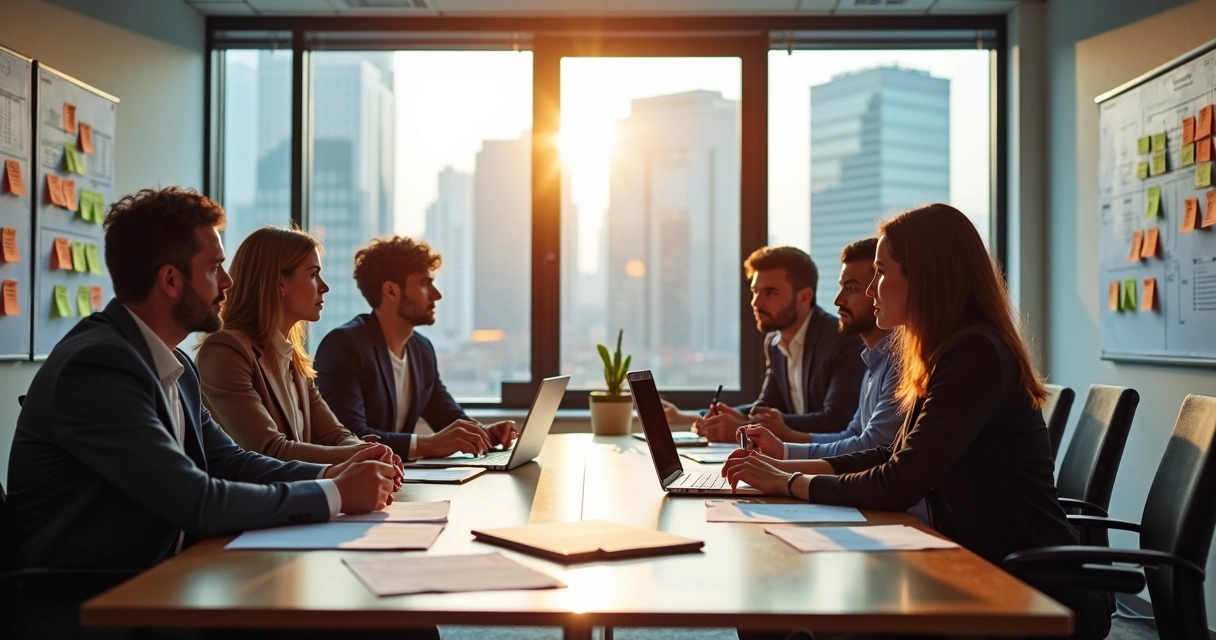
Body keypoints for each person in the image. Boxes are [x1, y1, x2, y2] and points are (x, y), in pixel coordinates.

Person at [6, 188, 404, 639]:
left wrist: (331, 473)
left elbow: (232, 461)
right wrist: (334, 494)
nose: (228, 282)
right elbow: (197, 500)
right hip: (104, 603)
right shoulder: (97, 367)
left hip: (171, 578)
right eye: (215, 268)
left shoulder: (173, 365)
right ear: (171, 281)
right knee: (365, 622)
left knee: (385, 618)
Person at [723, 204, 1111, 640]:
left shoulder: (974, 354)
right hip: (968, 563)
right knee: (773, 610)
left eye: (882, 273)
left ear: (924, 277)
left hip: (1021, 586)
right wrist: (785, 472)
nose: (873, 291)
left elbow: (902, 480)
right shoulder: (947, 351)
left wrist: (790, 482)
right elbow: (892, 453)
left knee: (785, 617)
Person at [196, 227, 401, 471]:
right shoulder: (225, 351)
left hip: (297, 496)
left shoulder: (292, 357)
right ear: (279, 281)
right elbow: (269, 450)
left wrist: (364, 451)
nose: (324, 287)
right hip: (253, 502)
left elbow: (336, 435)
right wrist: (360, 455)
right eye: (313, 275)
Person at [315, 236, 515, 460]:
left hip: (396, 480)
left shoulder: (422, 350)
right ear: (391, 291)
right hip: (352, 485)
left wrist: (485, 434)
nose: (436, 295)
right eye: (424, 284)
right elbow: (350, 437)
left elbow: (447, 416)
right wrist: (428, 445)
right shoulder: (344, 346)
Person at [667, 246, 865, 443]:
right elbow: (766, 407)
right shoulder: (774, 342)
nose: (756, 302)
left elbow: (837, 420)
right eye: (755, 291)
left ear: (804, 297)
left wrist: (751, 425)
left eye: (770, 293)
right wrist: (711, 418)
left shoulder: (842, 338)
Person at [738, 237, 902, 460]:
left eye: (851, 288)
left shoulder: (860, 347)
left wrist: (785, 470)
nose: (837, 300)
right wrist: (782, 448)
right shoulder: (872, 358)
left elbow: (867, 444)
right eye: (841, 287)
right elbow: (853, 434)